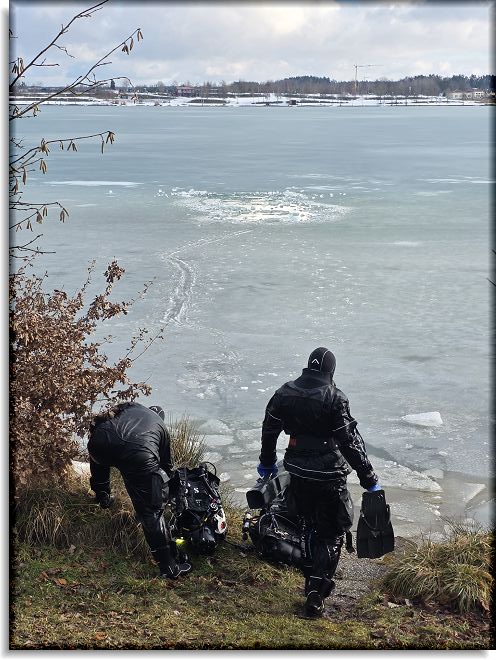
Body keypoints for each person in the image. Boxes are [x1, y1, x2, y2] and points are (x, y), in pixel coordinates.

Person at [258, 347, 382, 618]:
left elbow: (269, 429)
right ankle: (315, 593)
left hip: (297, 470)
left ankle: (308, 573)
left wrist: (267, 462)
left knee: (305, 521)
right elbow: (348, 442)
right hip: (329, 476)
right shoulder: (336, 398)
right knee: (332, 532)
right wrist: (369, 478)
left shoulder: (284, 392)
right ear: (331, 370)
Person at [87, 401, 191, 579]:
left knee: (100, 458)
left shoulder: (133, 407)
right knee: (151, 511)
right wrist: (163, 497)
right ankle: (168, 567)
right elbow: (166, 468)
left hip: (100, 441)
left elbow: (107, 416)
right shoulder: (161, 428)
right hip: (139, 453)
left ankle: (102, 495)